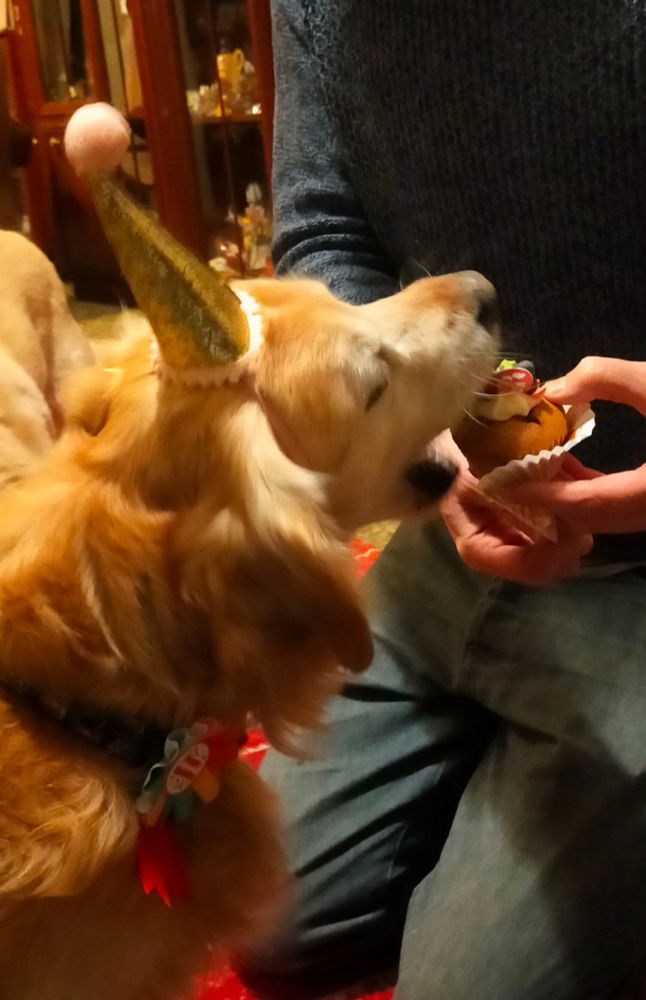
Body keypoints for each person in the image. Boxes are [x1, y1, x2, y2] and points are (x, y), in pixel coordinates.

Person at [239, 3, 646, 998]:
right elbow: (323, 225)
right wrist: (422, 433)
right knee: (260, 921)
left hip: (638, 578)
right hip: (446, 535)